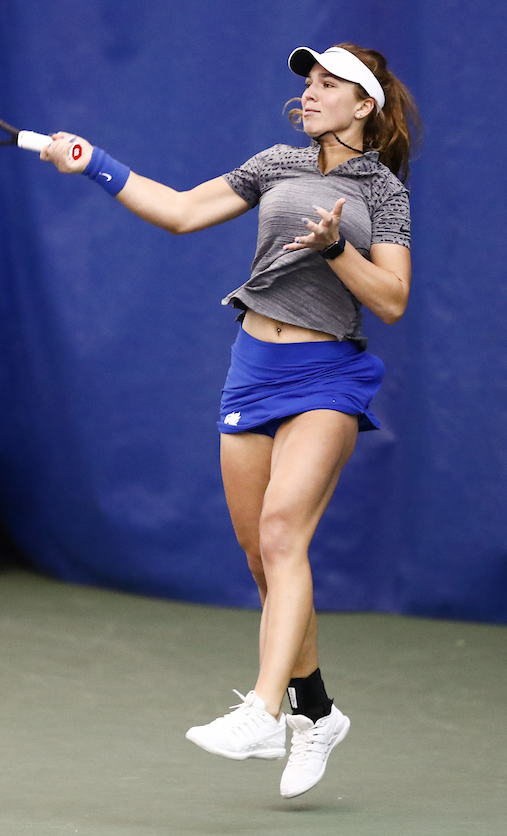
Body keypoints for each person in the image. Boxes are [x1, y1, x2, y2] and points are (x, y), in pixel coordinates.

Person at [41, 44, 420, 798]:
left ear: (364, 104)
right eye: (307, 83)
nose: (309, 94)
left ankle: (265, 709)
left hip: (326, 376)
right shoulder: (276, 164)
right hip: (253, 370)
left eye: (327, 85)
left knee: (284, 534)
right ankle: (318, 712)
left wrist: (336, 245)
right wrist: (93, 161)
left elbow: (392, 300)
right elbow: (181, 212)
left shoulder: (382, 192)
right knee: (262, 561)